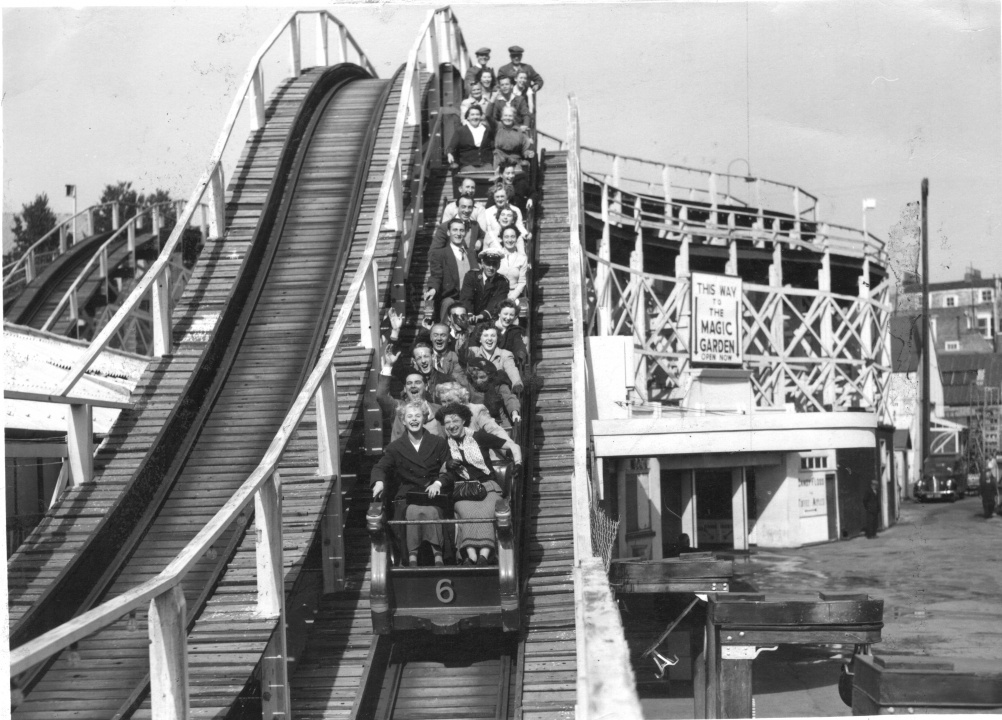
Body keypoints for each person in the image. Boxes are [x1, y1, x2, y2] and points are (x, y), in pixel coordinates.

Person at [437, 402, 522, 565]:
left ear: (463, 421)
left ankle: (484, 555)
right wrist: (447, 464)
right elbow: (438, 467)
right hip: (464, 490)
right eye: (447, 423)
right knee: (467, 512)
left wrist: (517, 463)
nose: (451, 425)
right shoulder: (444, 444)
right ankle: (471, 557)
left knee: (486, 511)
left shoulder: (478, 437)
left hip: (488, 487)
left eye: (455, 421)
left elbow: (512, 445)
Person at [370, 401, 453, 567]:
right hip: (408, 496)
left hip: (434, 494)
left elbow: (450, 470)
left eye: (418, 416)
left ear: (424, 419)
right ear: (403, 420)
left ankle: (438, 555)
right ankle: (411, 556)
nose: (414, 420)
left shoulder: (439, 443)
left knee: (432, 511)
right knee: (413, 511)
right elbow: (380, 467)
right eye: (410, 416)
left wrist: (438, 483)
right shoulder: (395, 447)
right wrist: (379, 482)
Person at [426, 217, 479, 321]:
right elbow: (436, 276)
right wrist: (433, 289)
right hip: (451, 298)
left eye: (461, 230)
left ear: (466, 233)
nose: (458, 233)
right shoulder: (439, 254)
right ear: (448, 232)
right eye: (455, 230)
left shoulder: (471, 254)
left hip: (470, 299)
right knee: (448, 304)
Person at [436, 382, 514, 443]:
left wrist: (510, 445)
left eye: (450, 400)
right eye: (443, 401)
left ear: (461, 399)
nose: (447, 405)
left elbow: (494, 429)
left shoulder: (476, 410)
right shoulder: (443, 417)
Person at [459, 243, 511, 324]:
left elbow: (496, 303)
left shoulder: (503, 282)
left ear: (499, 265)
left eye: (494, 264)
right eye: (488, 264)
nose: (491, 268)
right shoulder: (471, 276)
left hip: (490, 319)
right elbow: (466, 298)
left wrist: (481, 316)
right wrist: (470, 315)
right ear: (482, 263)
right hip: (469, 318)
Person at [468, 323, 522, 392]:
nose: (489, 338)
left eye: (493, 336)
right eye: (485, 335)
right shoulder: (474, 351)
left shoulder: (505, 354)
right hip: (476, 392)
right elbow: (462, 353)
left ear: (497, 338)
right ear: (480, 339)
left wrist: (517, 383)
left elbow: (511, 369)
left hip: (496, 392)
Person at [466, 356, 521, 425]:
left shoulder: (498, 383)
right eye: (475, 378)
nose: (478, 381)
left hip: (498, 423)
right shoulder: (468, 385)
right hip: (476, 424)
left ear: (490, 376)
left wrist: (514, 412)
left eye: (482, 377)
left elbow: (509, 398)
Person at [446, 105, 493, 174]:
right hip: (468, 165)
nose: (475, 117)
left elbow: (493, 146)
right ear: (468, 117)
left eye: (477, 114)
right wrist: (449, 154)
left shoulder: (487, 129)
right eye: (472, 115)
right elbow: (451, 147)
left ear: (480, 117)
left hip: (486, 164)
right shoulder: (461, 131)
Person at [492, 107, 534, 174]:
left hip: (515, 161)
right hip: (500, 160)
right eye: (505, 115)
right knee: (499, 180)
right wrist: (493, 98)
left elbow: (524, 149)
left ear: (514, 118)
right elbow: (488, 115)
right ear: (501, 118)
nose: (508, 118)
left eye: (510, 116)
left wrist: (528, 153)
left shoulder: (519, 131)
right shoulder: (497, 127)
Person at [494, 299, 528, 366]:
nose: (508, 317)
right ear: (499, 313)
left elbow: (518, 343)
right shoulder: (489, 327)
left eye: (511, 315)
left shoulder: (514, 330)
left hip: (505, 365)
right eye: (505, 314)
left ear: (515, 317)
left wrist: (521, 352)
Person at [498, 227, 529, 300]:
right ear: (502, 238)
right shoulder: (497, 255)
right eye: (506, 237)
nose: (509, 240)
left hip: (514, 297)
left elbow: (522, 282)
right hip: (495, 295)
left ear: (517, 238)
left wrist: (512, 298)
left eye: (513, 237)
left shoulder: (522, 259)